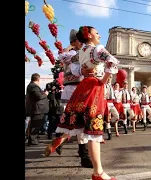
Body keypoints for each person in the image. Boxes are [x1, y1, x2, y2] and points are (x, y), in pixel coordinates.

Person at [44, 26, 118, 180]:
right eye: (97, 32)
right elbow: (112, 61)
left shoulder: (82, 52)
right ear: (89, 35)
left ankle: (63, 140)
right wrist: (103, 80)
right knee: (93, 129)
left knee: (84, 125)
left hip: (82, 86)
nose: (99, 34)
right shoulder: (97, 49)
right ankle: (98, 172)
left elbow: (64, 58)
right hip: (94, 88)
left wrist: (83, 71)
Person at [55, 29, 93, 168]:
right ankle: (84, 155)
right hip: (73, 90)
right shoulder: (72, 54)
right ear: (74, 42)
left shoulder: (76, 52)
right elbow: (73, 65)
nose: (82, 43)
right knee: (77, 121)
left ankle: (62, 141)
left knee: (76, 121)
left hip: (78, 89)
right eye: (80, 41)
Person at [25, 73, 49, 146]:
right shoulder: (33, 86)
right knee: (35, 125)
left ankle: (34, 140)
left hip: (37, 109)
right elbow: (38, 96)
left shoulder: (32, 86)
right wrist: (45, 94)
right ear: (38, 79)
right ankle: (33, 141)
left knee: (36, 125)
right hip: (37, 109)